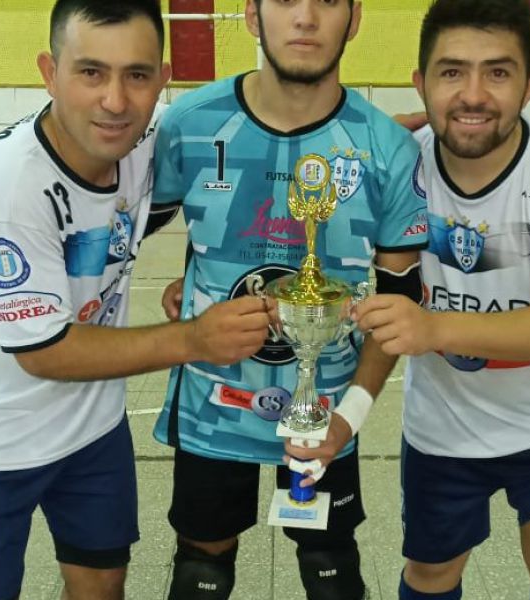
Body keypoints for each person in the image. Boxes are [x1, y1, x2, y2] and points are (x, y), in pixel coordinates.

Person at [0, 2, 270, 599]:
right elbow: (47, 351)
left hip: (91, 431)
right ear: (48, 73)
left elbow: (273, 137)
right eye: (90, 73)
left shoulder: (140, 144)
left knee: (103, 585)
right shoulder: (5, 186)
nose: (114, 99)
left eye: (135, 75)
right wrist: (195, 337)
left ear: (161, 79)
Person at [150, 0, 431, 598]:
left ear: (355, 19)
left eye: (328, 1)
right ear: (251, 16)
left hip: (323, 408)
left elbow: (400, 308)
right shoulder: (190, 122)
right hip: (213, 401)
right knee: (200, 564)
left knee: (330, 563)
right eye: (284, 0)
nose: (305, 17)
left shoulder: (385, 148)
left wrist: (349, 416)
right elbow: (123, 225)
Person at [353, 1, 530, 599]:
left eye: (497, 73)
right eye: (451, 72)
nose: (473, 94)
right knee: (430, 575)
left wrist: (433, 328)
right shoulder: (396, 162)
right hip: (442, 430)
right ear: (421, 83)